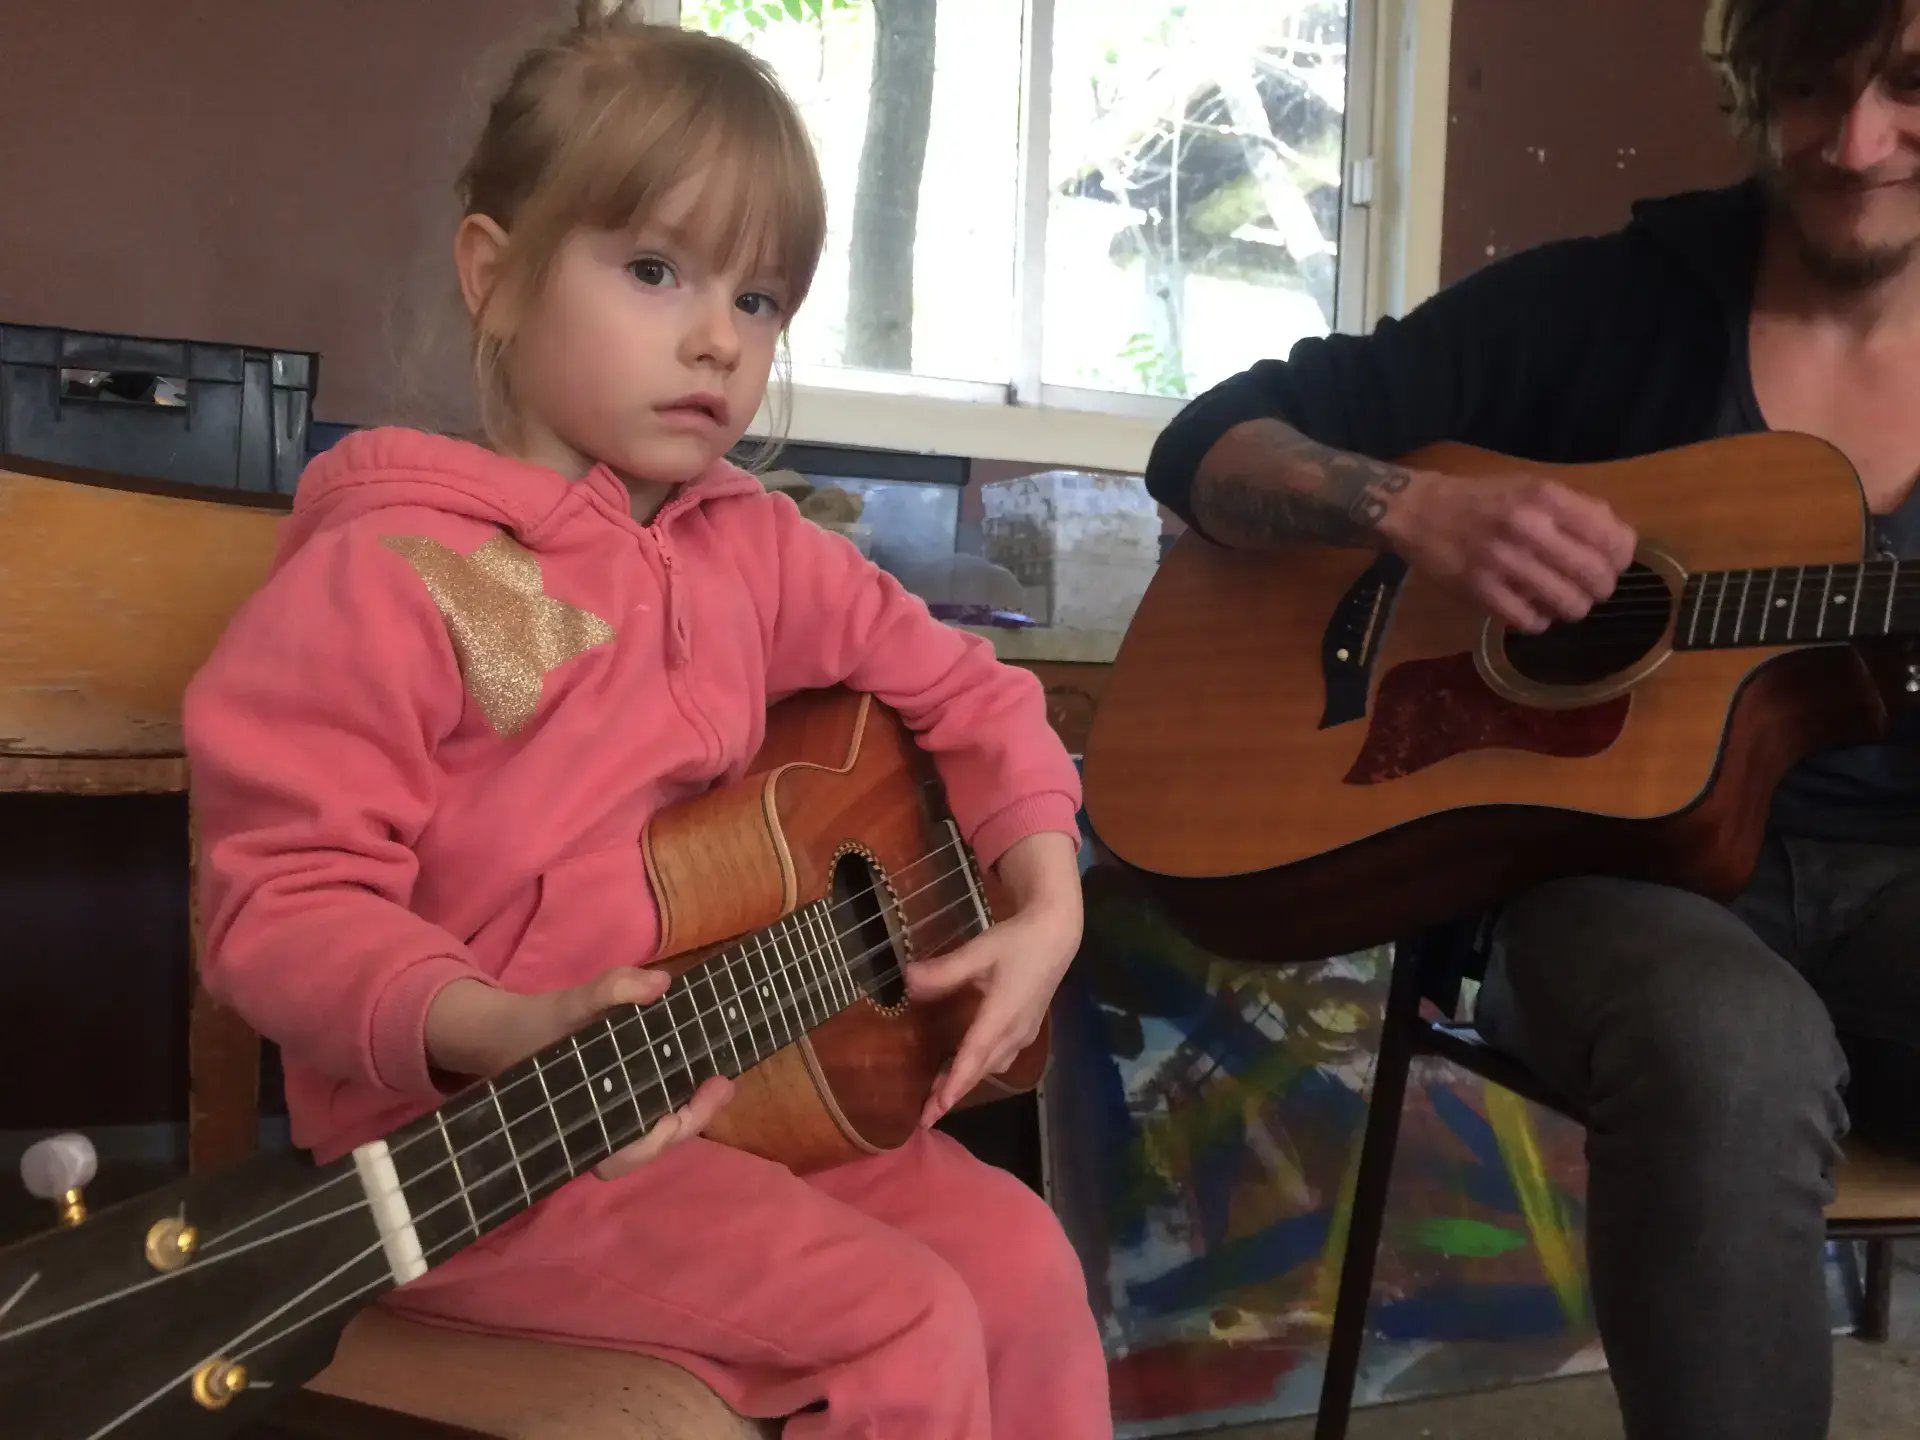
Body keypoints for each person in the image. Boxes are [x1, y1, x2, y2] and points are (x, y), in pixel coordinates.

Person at [182, 16, 1110, 1439]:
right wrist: (491, 1022)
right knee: (904, 1327)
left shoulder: (752, 547)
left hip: (737, 1103)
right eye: (656, 270)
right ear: (494, 278)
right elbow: (281, 903)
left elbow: (969, 691)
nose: (714, 340)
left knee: (1024, 1267)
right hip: (494, 1159)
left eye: (760, 302)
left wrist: (1045, 894)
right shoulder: (413, 573)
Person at [1141, 2, 1920, 1437]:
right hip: (1603, 891)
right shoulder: (1607, 304)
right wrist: (1414, 506)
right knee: (1731, 1052)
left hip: (1894, 887)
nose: (1856, 142)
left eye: (1913, 88)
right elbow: (1208, 439)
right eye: (1813, 87)